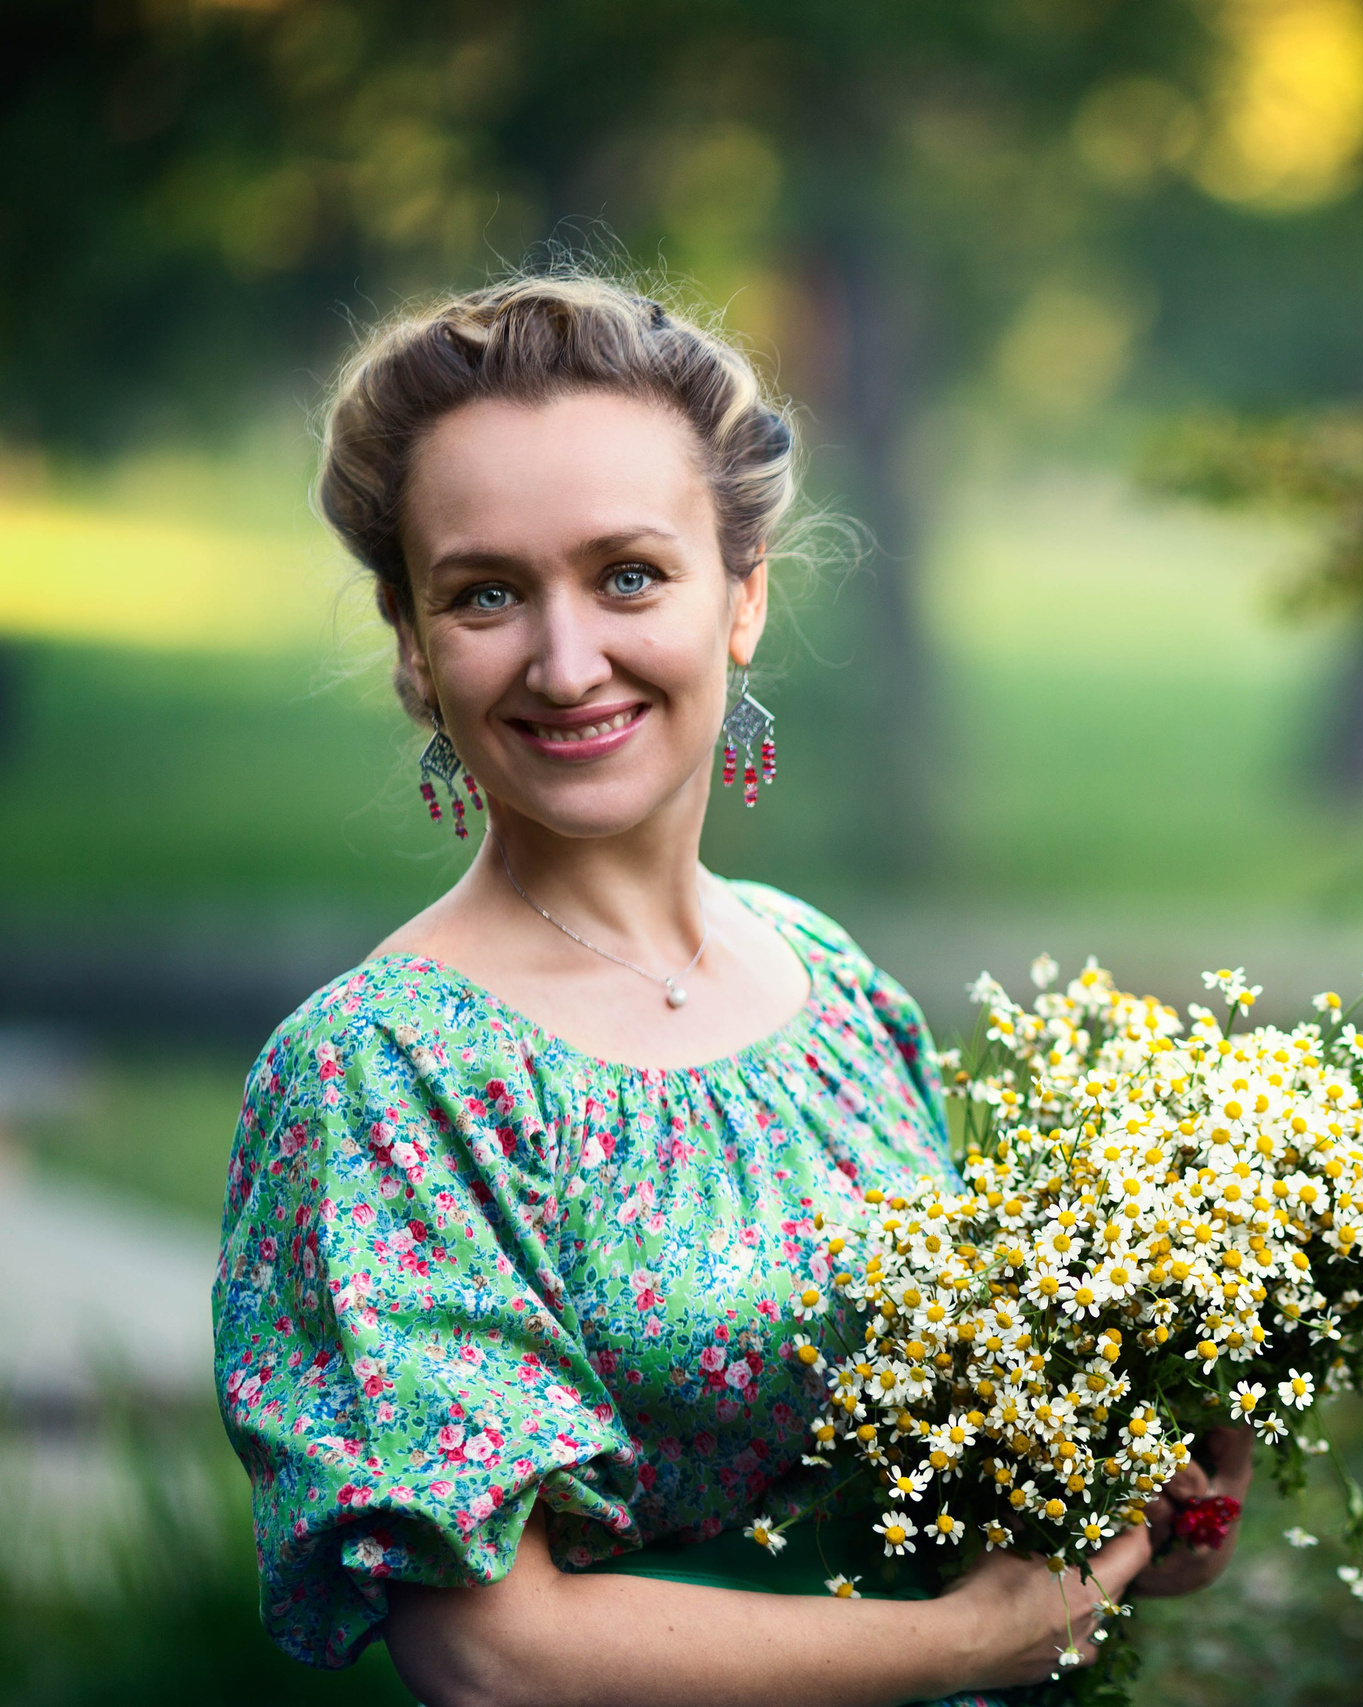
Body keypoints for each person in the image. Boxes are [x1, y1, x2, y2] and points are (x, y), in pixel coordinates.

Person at [211, 274, 1250, 1707]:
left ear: (744, 597)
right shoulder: (383, 1073)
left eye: (627, 575)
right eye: (487, 594)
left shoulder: (823, 976)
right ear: (413, 641)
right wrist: (968, 1645)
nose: (568, 662)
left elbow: (928, 1475)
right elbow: (494, 1659)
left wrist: (1123, 1522)